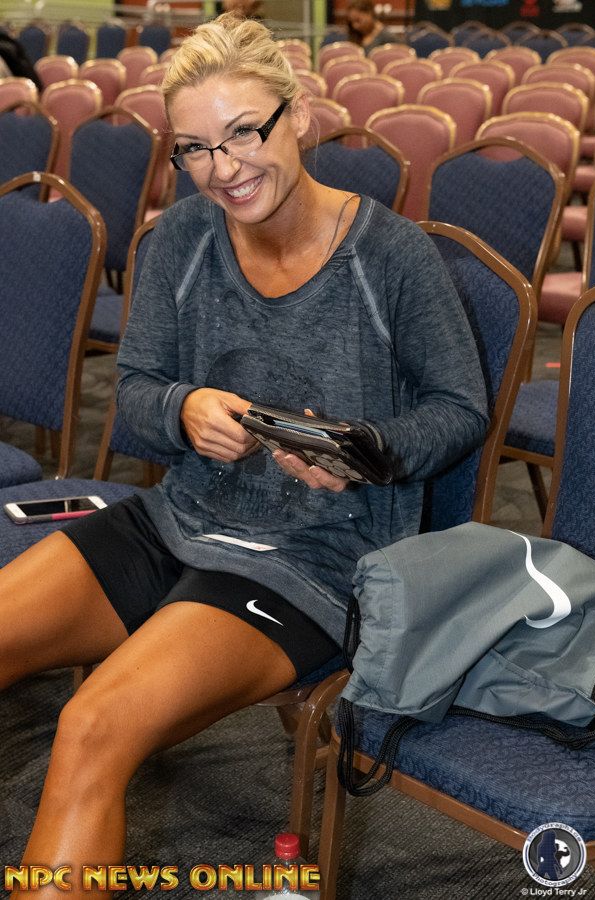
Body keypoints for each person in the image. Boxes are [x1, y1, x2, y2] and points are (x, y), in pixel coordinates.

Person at [1, 13, 488, 895]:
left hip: (314, 557)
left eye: (243, 134)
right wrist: (183, 409)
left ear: (298, 116)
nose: (223, 169)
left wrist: (368, 450)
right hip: (178, 519)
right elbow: (136, 391)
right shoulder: (179, 241)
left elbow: (460, 412)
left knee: (92, 725)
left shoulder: (392, 255)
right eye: (195, 148)